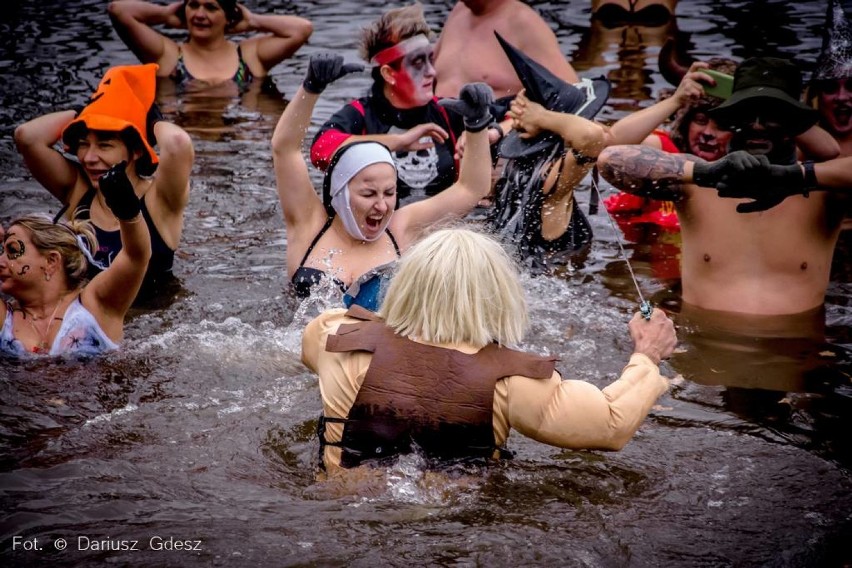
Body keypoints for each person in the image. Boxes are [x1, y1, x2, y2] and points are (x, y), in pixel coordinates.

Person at [301, 227, 677, 473]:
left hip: (341, 509)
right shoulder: (513, 381)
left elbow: (309, 354)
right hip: (457, 530)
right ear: (498, 296)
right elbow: (611, 424)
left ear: (406, 284)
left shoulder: (335, 336)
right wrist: (647, 356)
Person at [597, 56, 846, 317]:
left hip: (795, 353)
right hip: (703, 348)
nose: (758, 125)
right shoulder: (694, 183)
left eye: (773, 116)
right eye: (747, 114)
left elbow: (832, 155)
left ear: (793, 125)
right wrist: (706, 173)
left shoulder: (825, 192)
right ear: (731, 119)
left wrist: (792, 177)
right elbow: (609, 158)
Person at [273, 53, 493, 311]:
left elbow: (470, 189)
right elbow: (284, 149)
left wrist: (477, 126)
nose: (381, 206)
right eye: (368, 194)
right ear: (339, 193)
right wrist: (310, 89)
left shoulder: (401, 229)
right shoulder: (308, 225)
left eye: (389, 193)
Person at [14, 64, 193, 301]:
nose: (89, 158)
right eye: (84, 143)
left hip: (150, 329)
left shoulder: (160, 201)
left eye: (105, 145)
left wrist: (147, 120)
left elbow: (178, 142)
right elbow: (26, 137)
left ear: (136, 151)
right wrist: (92, 109)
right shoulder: (78, 190)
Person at [310, 4, 501, 203]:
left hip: (442, 225)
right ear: (389, 74)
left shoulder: (448, 110)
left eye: (431, 60)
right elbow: (319, 152)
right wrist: (398, 142)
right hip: (381, 227)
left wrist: (486, 134)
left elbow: (512, 115)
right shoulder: (359, 114)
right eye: (418, 62)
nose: (432, 72)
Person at [0, 162, 151, 357]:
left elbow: (135, 257)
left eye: (12, 250)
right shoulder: (5, 318)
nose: (1, 261)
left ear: (51, 261)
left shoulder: (94, 305)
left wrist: (127, 208)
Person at [489, 34, 612, 264]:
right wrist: (543, 117)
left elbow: (607, 135)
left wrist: (676, 101)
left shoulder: (514, 168)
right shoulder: (553, 185)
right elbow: (592, 137)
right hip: (555, 290)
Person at [107, 0, 312, 91]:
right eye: (193, 5)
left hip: (239, 148)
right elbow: (118, 10)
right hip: (187, 144)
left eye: (211, 7)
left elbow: (302, 29)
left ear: (229, 16)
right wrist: (166, 15)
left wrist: (253, 21)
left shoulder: (249, 56)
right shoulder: (167, 55)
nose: (199, 15)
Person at [433, 0, 578, 100]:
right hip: (438, 132)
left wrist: (506, 128)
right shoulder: (459, 12)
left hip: (495, 135)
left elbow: (573, 98)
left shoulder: (525, 23)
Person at [806, 0, 852, 158]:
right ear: (816, 96)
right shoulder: (797, 146)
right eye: (830, 87)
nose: (841, 97)